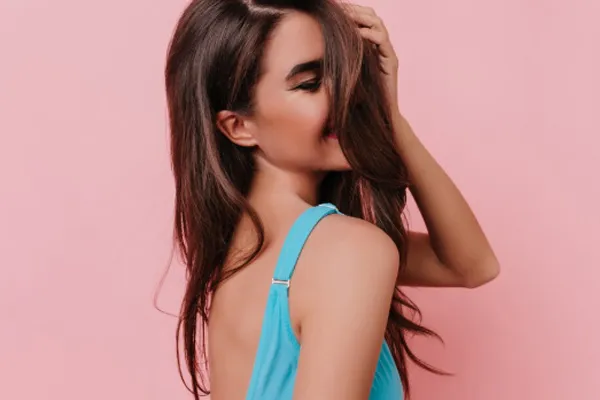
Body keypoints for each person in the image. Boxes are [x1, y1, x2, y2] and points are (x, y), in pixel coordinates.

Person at [164, 0, 500, 399]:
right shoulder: (344, 250)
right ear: (239, 127)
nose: (346, 95)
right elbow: (472, 267)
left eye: (343, 73)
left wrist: (390, 116)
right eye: (309, 83)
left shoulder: (249, 252)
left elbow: (471, 266)